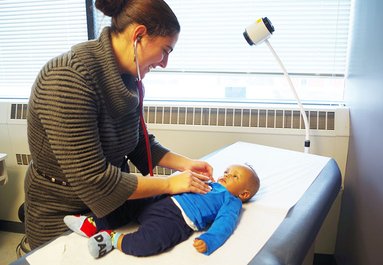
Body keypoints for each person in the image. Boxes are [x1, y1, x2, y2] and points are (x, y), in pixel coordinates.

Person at [24, 0, 213, 250]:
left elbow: (138, 143)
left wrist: (187, 164)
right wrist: (170, 183)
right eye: (165, 50)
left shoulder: (127, 78)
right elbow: (96, 181)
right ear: (139, 35)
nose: (165, 63)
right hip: (62, 211)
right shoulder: (68, 78)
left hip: (112, 207)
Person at [64, 164, 260, 257]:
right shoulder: (209, 182)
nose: (226, 174)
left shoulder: (231, 201)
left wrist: (209, 240)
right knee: (129, 204)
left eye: (234, 176)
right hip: (164, 197)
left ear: (243, 194)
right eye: (227, 171)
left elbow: (225, 224)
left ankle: (112, 239)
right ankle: (93, 223)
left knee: (150, 242)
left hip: (176, 218)